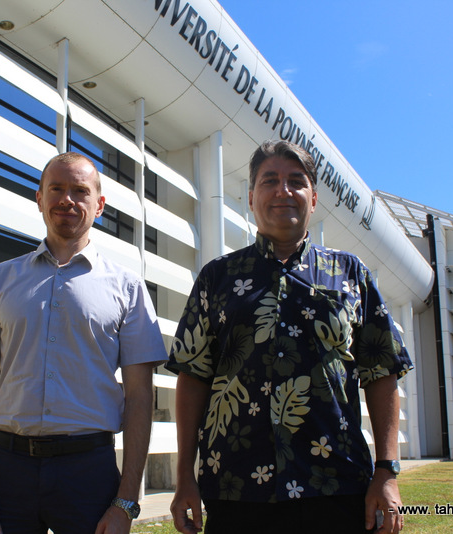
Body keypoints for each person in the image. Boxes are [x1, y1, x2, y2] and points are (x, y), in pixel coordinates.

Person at [166, 140, 411, 534]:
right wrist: (184, 478)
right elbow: (193, 377)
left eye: (296, 182)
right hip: (236, 486)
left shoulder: (351, 275)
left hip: (335, 485)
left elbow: (382, 373)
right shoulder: (217, 278)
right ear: (251, 197)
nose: (283, 191)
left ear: (313, 199)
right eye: (270, 181)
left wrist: (387, 471)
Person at [0, 152, 168, 534]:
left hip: (89, 471)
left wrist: (126, 502)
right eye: (56, 188)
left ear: (99, 205)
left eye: (80, 191)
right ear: (39, 198)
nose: (67, 200)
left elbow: (140, 396)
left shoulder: (128, 288)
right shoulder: (0, 280)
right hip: (6, 469)